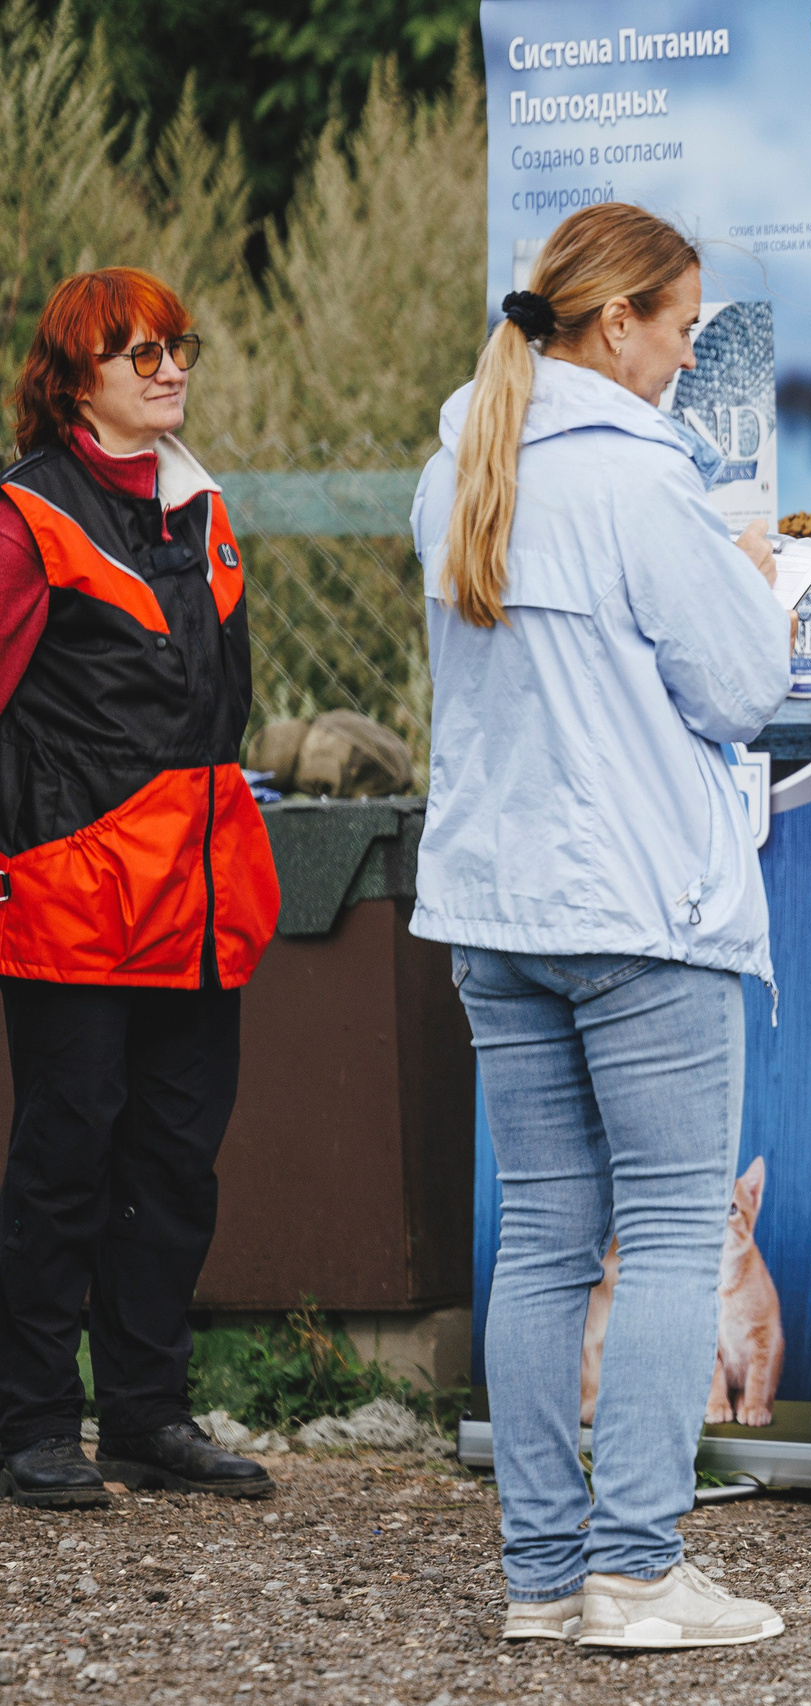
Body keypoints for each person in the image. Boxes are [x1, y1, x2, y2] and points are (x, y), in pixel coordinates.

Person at [411, 202, 791, 1644]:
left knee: (549, 1237)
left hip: (496, 909)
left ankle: (542, 1578)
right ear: (617, 320)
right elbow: (745, 690)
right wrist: (756, 585)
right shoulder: (645, 485)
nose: (690, 360)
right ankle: (637, 1568)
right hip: (642, 905)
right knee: (677, 1229)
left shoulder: (457, 469)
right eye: (683, 330)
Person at [0, 268, 279, 1508]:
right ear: (75, 378)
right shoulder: (23, 517)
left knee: (175, 1162)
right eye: (138, 350)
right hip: (73, 898)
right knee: (64, 1160)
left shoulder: (201, 504)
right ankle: (31, 1423)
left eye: (180, 345)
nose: (170, 367)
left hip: (202, 901)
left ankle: (147, 1416)